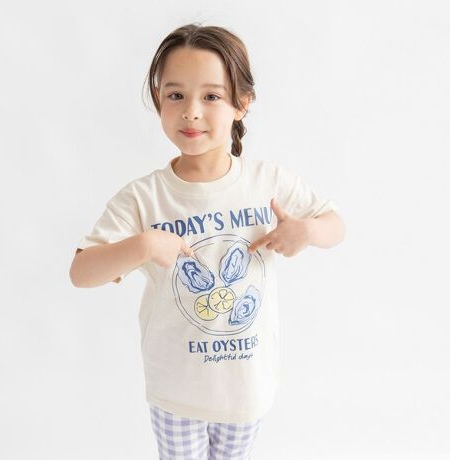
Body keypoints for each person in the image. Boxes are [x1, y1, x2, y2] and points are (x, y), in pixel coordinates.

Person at [69, 22, 345, 460]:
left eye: (211, 96)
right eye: (176, 95)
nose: (191, 112)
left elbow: (335, 224)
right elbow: (81, 272)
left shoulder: (267, 181)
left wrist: (308, 231)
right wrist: (143, 245)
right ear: (158, 100)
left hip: (247, 389)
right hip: (176, 391)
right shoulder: (144, 197)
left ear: (242, 103)